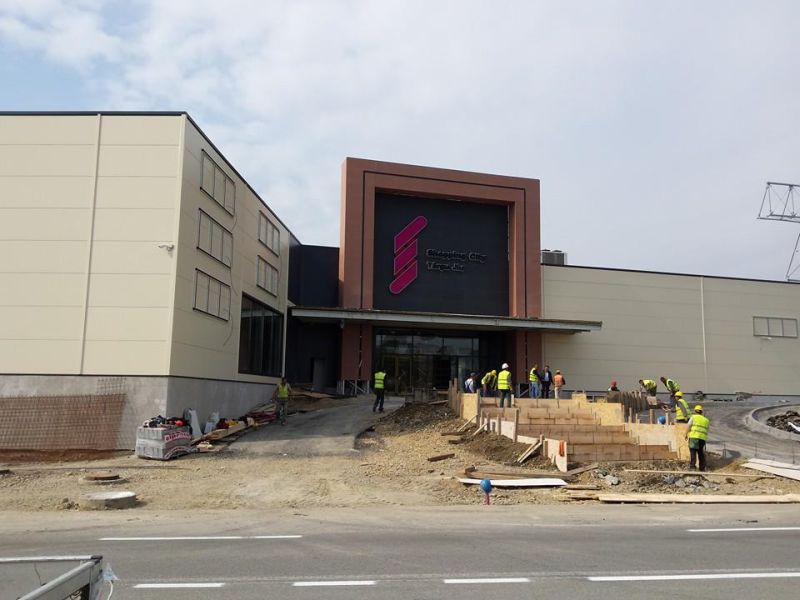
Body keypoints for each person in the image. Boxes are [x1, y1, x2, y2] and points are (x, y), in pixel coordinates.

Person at [686, 404, 710, 471]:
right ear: (701, 412)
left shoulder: (693, 417)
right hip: (702, 439)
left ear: (695, 411)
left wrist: (685, 434)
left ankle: (692, 467)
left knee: (693, 452)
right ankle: (702, 468)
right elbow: (707, 429)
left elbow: (688, 426)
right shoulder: (706, 420)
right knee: (700, 453)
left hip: (694, 437)